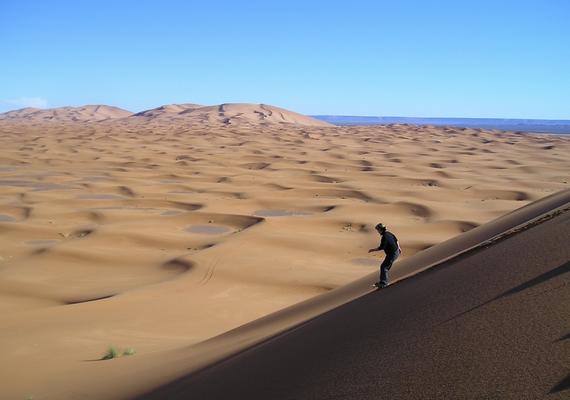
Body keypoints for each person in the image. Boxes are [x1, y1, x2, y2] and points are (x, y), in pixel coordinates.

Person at [368, 223, 401, 289]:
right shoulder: (389, 233)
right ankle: (383, 281)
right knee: (385, 267)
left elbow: (382, 247)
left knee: (384, 267)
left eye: (378, 230)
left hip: (392, 254)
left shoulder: (384, 237)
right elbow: (396, 240)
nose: (378, 231)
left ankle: (384, 283)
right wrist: (399, 248)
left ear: (381, 230)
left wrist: (373, 250)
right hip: (396, 251)